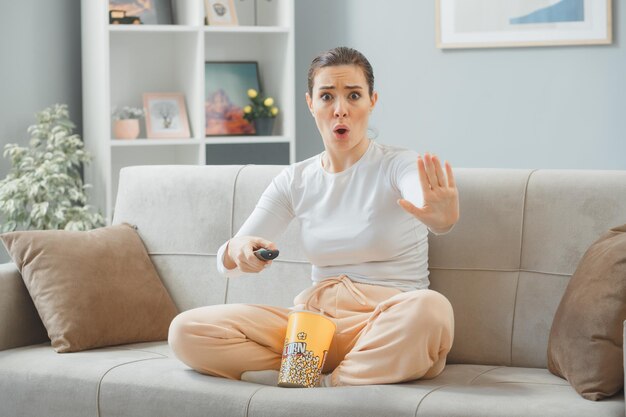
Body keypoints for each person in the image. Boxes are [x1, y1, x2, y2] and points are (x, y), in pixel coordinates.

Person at [168, 46, 460, 387]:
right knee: (186, 331)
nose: (341, 110)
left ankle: (321, 385)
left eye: (354, 95)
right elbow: (228, 257)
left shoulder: (399, 165)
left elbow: (430, 209)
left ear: (372, 101)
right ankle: (320, 371)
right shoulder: (296, 179)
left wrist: (442, 218)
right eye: (327, 97)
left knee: (431, 310)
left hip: (385, 324)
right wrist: (240, 251)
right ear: (311, 104)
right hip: (310, 329)